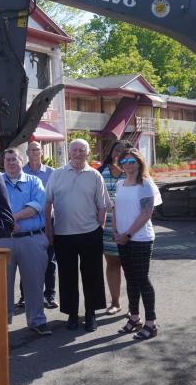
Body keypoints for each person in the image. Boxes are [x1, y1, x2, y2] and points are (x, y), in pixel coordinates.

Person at [44, 138, 108, 331]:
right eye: (75, 150)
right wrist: (49, 231)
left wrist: (100, 229)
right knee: (67, 276)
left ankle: (91, 314)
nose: (78, 153)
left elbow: (103, 205)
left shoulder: (95, 175)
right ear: (69, 152)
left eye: (82, 150)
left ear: (88, 153)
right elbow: (48, 204)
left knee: (92, 276)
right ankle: (72, 315)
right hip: (63, 234)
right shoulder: (57, 175)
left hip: (90, 233)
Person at [0, 148, 51, 335]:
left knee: (34, 283)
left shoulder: (34, 181)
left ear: (22, 161)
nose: (11, 163)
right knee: (1, 285)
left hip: (31, 239)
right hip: (4, 240)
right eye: (7, 160)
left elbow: (37, 206)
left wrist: (12, 218)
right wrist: (7, 222)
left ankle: (37, 320)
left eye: (15, 159)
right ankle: (1, 323)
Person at [113, 148, 163, 341]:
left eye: (132, 160)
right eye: (124, 160)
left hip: (140, 238)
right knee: (130, 279)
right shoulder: (120, 184)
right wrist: (117, 232)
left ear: (139, 162)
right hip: (123, 238)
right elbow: (116, 208)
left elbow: (146, 213)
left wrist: (128, 234)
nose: (128, 163)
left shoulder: (145, 184)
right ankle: (134, 318)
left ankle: (151, 323)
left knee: (142, 279)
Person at [22, 141, 57, 310]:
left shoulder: (52, 173)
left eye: (37, 149)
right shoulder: (21, 173)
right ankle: (24, 296)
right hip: (28, 223)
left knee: (49, 261)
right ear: (27, 153)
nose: (34, 152)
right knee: (27, 260)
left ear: (42, 152)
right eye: (31, 150)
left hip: (49, 222)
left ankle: (49, 295)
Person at [100, 140, 132, 315]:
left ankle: (133, 307)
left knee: (130, 267)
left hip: (128, 229)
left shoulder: (132, 174)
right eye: (116, 149)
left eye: (123, 150)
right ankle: (115, 302)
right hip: (107, 228)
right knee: (112, 264)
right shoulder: (100, 172)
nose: (118, 152)